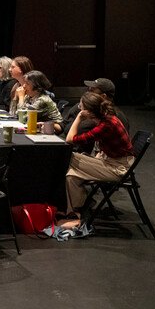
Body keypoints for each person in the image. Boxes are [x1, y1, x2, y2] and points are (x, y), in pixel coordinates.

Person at [63, 92, 134, 227]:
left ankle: (73, 210)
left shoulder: (106, 125)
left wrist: (78, 117)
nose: (79, 109)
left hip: (118, 168)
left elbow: (70, 139)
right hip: (109, 160)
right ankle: (78, 211)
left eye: (81, 107)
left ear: (89, 112)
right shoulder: (105, 119)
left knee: (70, 157)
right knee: (71, 177)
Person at [62, 78, 130, 149]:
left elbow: (70, 137)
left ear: (103, 96)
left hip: (110, 156)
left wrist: (79, 116)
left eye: (91, 91)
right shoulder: (95, 111)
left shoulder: (111, 118)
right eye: (88, 90)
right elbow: (65, 126)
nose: (87, 93)